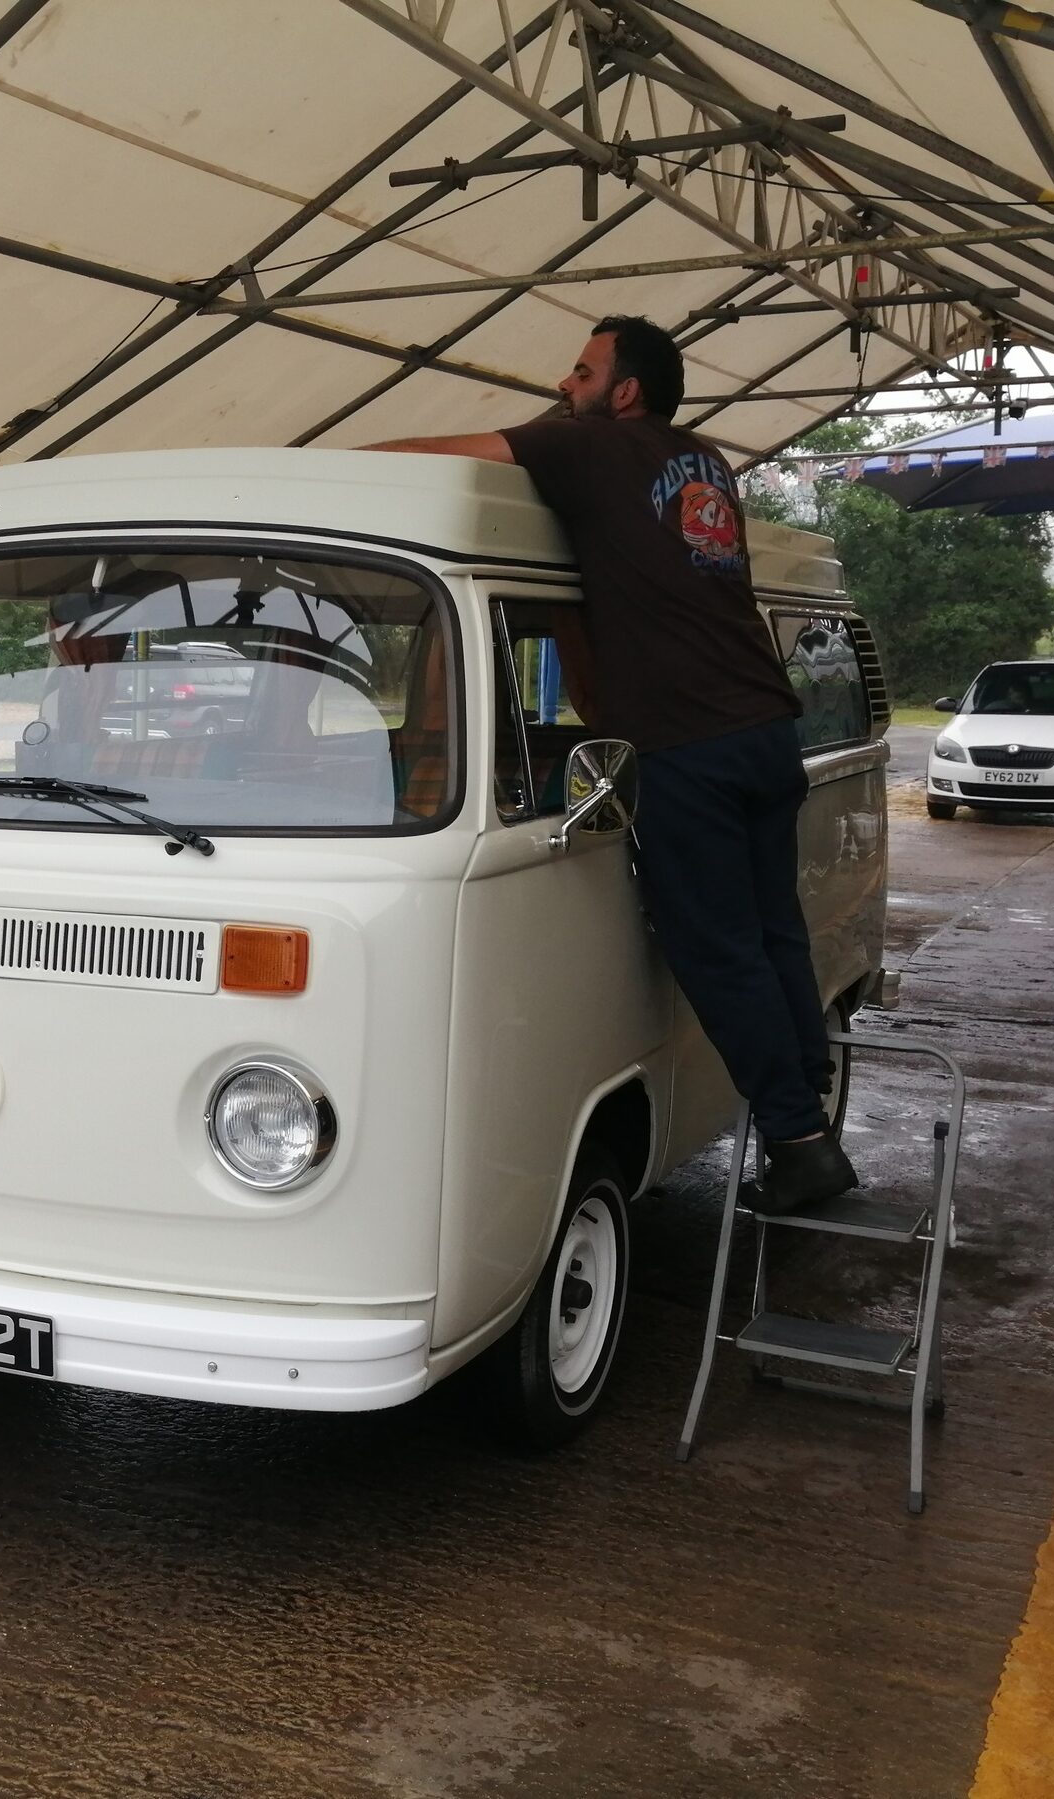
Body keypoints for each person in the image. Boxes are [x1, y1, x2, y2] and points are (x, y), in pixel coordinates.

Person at [363, 315, 854, 1211]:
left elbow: (437, 450)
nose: (564, 384)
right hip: (763, 725)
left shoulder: (588, 450)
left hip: (688, 740)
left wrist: (331, 459)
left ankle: (798, 1141)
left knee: (713, 948)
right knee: (774, 925)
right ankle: (809, 1087)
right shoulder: (705, 462)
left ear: (623, 392)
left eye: (582, 371)